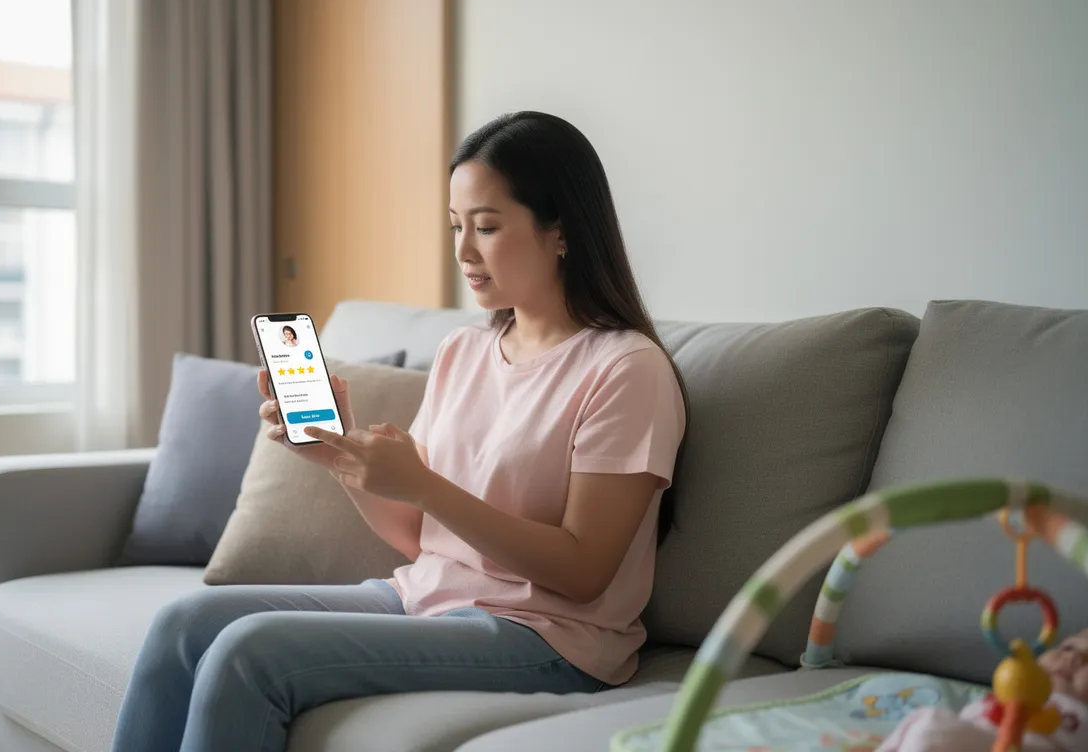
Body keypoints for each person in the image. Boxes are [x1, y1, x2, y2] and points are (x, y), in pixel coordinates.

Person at [111, 111, 690, 752]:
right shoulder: (465, 351)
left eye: (488, 227)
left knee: (250, 652)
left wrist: (426, 487)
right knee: (185, 624)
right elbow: (421, 539)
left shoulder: (626, 370)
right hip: (427, 597)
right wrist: (338, 455)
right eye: (455, 227)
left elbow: (585, 572)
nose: (464, 252)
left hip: (549, 637)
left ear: (561, 232)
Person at [875, 628, 1088, 751]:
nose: (1073, 658)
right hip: (979, 739)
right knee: (927, 722)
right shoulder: (1005, 695)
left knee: (934, 732)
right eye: (1068, 647)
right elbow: (971, 720)